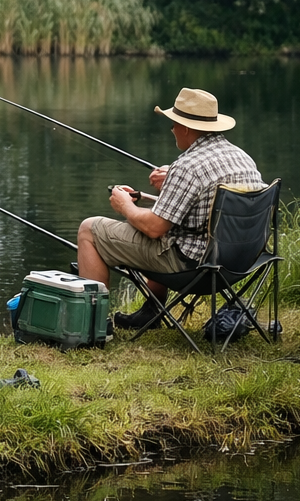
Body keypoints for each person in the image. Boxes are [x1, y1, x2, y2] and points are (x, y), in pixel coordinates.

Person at [76, 87, 262, 328]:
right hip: (240, 262)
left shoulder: (187, 167)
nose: (172, 128)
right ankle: (150, 312)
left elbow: (155, 228)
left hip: (195, 268)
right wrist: (164, 186)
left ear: (185, 128)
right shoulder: (241, 157)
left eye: (174, 123)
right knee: (167, 229)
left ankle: (92, 324)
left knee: (89, 230)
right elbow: (208, 209)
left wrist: (125, 207)